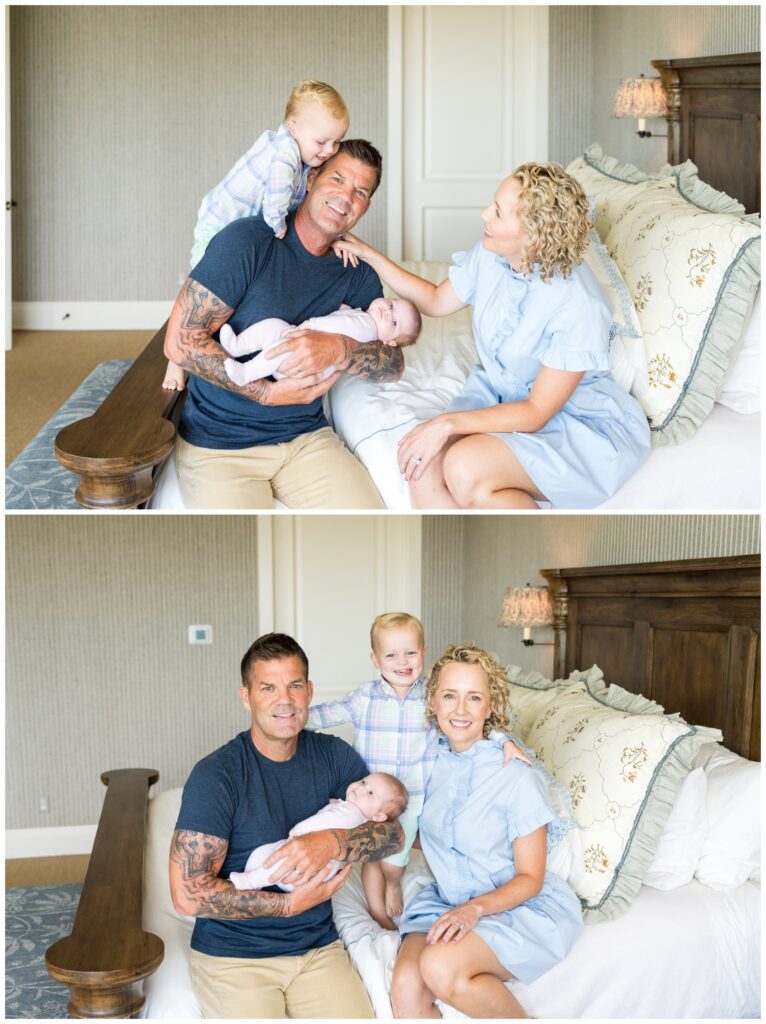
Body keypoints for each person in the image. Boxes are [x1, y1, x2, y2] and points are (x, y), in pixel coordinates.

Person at [333, 162, 652, 509]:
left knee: (463, 465)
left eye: (498, 212)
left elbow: (536, 411)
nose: (485, 214)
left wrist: (445, 423)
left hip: (578, 423)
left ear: (534, 236)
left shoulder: (580, 306)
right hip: (499, 395)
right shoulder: (492, 253)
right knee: (421, 466)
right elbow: (436, 301)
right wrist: (369, 254)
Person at [169, 632, 404, 1019]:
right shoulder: (216, 776)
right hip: (235, 958)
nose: (285, 700)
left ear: (309, 691)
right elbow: (188, 895)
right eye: (268, 687)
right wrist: (287, 904)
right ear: (246, 696)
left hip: (317, 949)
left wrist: (330, 843)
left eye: (295, 685)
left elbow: (392, 834)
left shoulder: (331, 755)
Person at [164, 139, 403, 510]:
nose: (345, 197)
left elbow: (393, 365)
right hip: (220, 446)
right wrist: (268, 394)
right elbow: (180, 343)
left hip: (306, 440)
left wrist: (338, 349)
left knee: (370, 527)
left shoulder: (356, 274)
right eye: (337, 179)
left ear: (366, 206)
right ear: (310, 180)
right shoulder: (249, 241)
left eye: (360, 191)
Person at [391, 645, 584, 1019]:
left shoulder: (516, 774)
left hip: (515, 908)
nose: (460, 710)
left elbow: (531, 877)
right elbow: (428, 831)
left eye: (474, 697)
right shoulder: (429, 761)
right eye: (450, 696)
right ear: (433, 701)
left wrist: (473, 910)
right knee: (405, 984)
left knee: (440, 966)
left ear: (490, 706)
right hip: (447, 901)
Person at [305, 612, 530, 931]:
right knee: (370, 857)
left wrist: (504, 740)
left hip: (412, 800)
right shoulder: (363, 699)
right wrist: (289, 715)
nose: (402, 662)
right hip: (371, 799)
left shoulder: (431, 696)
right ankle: (377, 911)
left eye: (411, 652)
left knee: (394, 860)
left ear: (424, 652)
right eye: (391, 654)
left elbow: (465, 719)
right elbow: (324, 715)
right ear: (375, 659)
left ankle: (394, 883)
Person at [164, 80, 350, 392]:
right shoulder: (285, 154)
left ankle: (223, 346)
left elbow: (307, 201)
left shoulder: (305, 156)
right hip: (218, 223)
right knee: (202, 289)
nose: (329, 150)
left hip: (240, 228)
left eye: (337, 142)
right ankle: (176, 358)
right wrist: (279, 228)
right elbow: (277, 198)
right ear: (293, 127)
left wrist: (338, 233)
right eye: (322, 141)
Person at [229, 772, 408, 891]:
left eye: (370, 793)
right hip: (314, 875)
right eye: (363, 782)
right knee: (266, 854)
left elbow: (322, 822)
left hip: (306, 871)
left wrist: (298, 831)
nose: (360, 788)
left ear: (378, 817)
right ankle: (256, 880)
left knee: (275, 859)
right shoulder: (353, 812)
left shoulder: (351, 814)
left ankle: (252, 881)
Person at [220, 296, 422, 386]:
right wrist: (345, 311)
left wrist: (316, 325)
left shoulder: (370, 331)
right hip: (299, 334)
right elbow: (343, 322)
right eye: (392, 305)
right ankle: (237, 346)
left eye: (394, 322)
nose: (387, 312)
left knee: (280, 349)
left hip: (303, 363)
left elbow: (341, 332)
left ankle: (246, 373)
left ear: (391, 342)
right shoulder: (363, 316)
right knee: (273, 326)